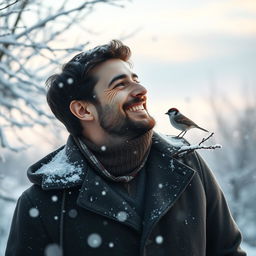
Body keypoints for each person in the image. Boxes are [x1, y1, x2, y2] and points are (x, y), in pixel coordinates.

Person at [5, 40, 246, 256]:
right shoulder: (43, 203)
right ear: (84, 110)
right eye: (120, 85)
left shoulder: (186, 166)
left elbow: (228, 251)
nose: (141, 91)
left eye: (136, 80)